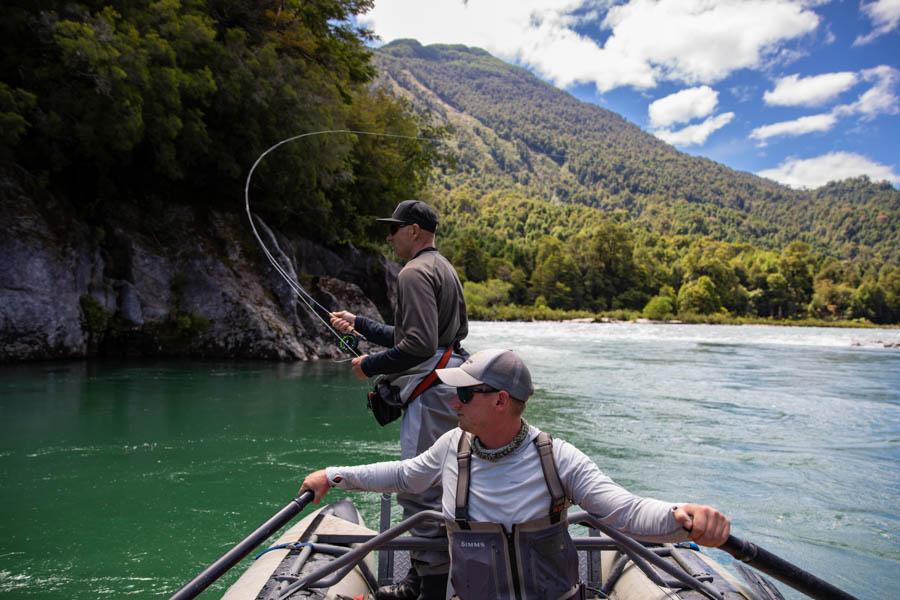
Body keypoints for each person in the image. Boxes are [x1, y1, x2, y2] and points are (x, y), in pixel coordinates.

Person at [301, 349, 731, 600]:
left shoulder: (557, 458)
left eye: (465, 393)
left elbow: (627, 512)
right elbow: (405, 475)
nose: (454, 402)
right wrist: (334, 475)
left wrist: (682, 516)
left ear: (500, 401)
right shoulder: (451, 446)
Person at [329, 199, 468, 599]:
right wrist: (362, 324)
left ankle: (427, 588)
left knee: (419, 486)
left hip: (429, 390)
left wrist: (369, 366)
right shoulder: (444, 268)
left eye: (394, 228)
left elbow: (419, 344)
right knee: (442, 482)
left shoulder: (413, 272)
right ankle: (426, 577)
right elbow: (425, 336)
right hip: (448, 380)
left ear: (414, 231)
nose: (388, 237)